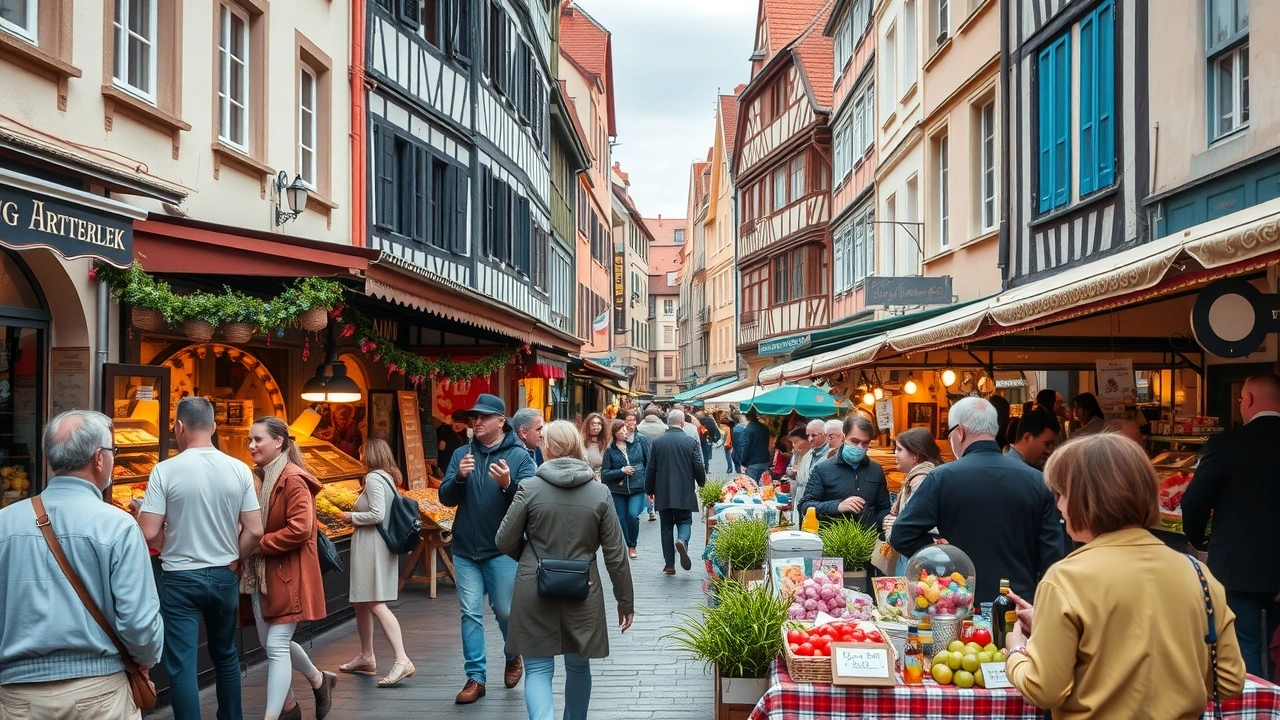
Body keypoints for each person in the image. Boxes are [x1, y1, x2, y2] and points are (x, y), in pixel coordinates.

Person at [1003, 434, 1246, 719]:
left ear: (1085, 497)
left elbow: (1045, 689)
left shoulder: (1067, 577)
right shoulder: (1198, 574)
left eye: (1062, 494)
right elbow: (1228, 681)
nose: (1058, 505)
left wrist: (1016, 652)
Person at [0, 410, 163, 719]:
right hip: (98, 692)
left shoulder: (4, 523)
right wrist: (145, 658)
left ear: (49, 459)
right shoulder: (119, 526)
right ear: (98, 459)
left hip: (17, 694)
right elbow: (138, 621)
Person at [496, 421, 635, 720]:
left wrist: (531, 559)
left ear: (548, 448)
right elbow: (615, 554)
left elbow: (503, 539)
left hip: (534, 588)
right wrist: (625, 602)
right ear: (576, 446)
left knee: (538, 668)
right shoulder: (599, 493)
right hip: (583, 589)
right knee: (578, 665)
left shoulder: (529, 488)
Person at [136, 397, 262, 720]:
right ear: (215, 428)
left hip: (179, 579)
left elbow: (148, 532)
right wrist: (235, 558)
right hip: (223, 577)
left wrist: (167, 542)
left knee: (182, 666)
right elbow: (255, 530)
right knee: (226, 656)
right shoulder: (239, 470)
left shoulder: (164, 471)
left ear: (178, 427)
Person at [890, 397, 1065, 602]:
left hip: (960, 601)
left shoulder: (942, 478)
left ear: (960, 432)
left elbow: (901, 535)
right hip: (1021, 604)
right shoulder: (1038, 480)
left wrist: (941, 550)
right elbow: (1052, 556)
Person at [439, 393, 537, 704]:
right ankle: (475, 678)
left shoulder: (520, 457)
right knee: (470, 613)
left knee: (505, 611)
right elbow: (446, 497)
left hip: (502, 550)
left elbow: (530, 505)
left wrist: (508, 485)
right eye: (473, 417)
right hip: (466, 548)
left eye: (483, 417)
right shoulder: (461, 454)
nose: (476, 422)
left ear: (500, 421)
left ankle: (513, 653)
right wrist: (459, 478)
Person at [1183, 371, 1280, 678]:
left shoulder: (1225, 444)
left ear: (1248, 400)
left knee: (1245, 646)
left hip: (1238, 565)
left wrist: (1199, 537)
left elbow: (1194, 501)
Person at [242, 417, 335, 720]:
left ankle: (273, 716)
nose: (252, 445)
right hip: (262, 575)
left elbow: (300, 528)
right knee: (272, 644)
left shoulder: (292, 478)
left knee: (277, 644)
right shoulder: (264, 477)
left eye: (258, 439)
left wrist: (257, 544)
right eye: (250, 440)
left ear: (279, 441)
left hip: (287, 574)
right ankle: (310, 689)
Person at [337, 438, 414, 687]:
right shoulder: (387, 477)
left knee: (374, 602)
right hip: (371, 545)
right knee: (361, 602)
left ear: (369, 454)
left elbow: (377, 514)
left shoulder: (372, 478)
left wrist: (351, 516)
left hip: (372, 545)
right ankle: (366, 656)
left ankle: (402, 660)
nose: (359, 456)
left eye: (361, 452)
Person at [799, 415, 891, 537]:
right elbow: (805, 505)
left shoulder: (876, 470)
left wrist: (885, 521)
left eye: (865, 443)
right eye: (854, 441)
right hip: (831, 543)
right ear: (843, 437)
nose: (860, 447)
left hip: (867, 543)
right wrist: (837, 506)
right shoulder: (822, 469)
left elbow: (883, 508)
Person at [645, 410, 707, 574]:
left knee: (666, 527)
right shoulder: (690, 442)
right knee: (685, 521)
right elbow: (698, 466)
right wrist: (701, 482)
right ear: (682, 423)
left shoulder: (657, 442)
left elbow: (651, 468)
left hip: (663, 490)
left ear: (668, 422)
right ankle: (682, 540)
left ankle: (669, 565)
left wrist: (649, 490)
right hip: (685, 489)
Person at [880, 427, 943, 575]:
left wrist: (896, 524)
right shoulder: (917, 477)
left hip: (918, 555)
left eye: (899, 449)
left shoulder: (921, 480)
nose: (895, 454)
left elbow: (920, 521)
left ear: (915, 455)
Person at [601, 419, 649, 560]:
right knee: (622, 519)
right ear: (614, 433)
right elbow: (605, 474)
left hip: (637, 488)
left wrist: (647, 484)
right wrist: (621, 471)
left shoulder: (637, 445)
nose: (623, 432)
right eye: (620, 430)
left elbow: (646, 463)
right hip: (618, 490)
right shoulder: (610, 451)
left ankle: (633, 544)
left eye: (625, 429)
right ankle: (629, 546)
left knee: (632, 515)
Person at [737, 409, 772, 480]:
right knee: (764, 486)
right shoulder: (764, 428)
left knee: (752, 487)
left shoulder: (748, 429)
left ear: (747, 416)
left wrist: (743, 461)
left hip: (753, 462)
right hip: (764, 461)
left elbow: (746, 447)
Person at [580, 412, 609, 481]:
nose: (596, 426)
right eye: (593, 423)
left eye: (599, 424)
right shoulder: (580, 442)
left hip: (599, 481)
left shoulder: (606, 444)